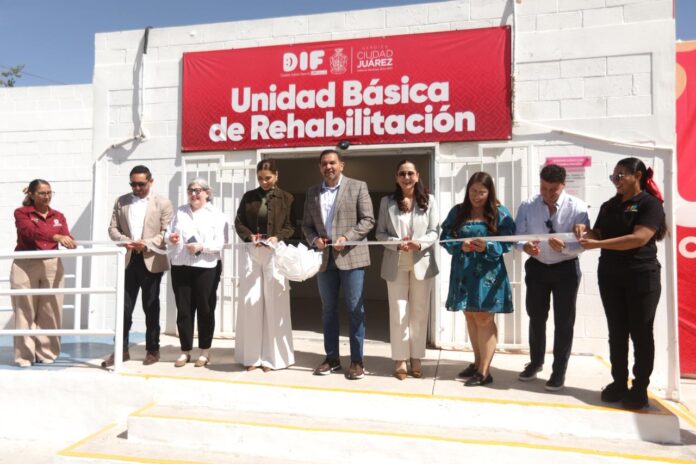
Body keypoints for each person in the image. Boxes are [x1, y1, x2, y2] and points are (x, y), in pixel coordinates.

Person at [576, 157, 666, 410]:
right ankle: (618, 382)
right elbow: (598, 233)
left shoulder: (650, 204)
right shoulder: (609, 206)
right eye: (613, 176)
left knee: (641, 332)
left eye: (621, 175)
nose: (616, 180)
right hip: (611, 275)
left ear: (637, 176)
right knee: (617, 331)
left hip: (641, 275)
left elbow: (638, 238)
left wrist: (598, 244)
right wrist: (583, 231)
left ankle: (640, 387)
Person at [515, 164, 590, 391]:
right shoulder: (528, 205)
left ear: (563, 186)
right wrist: (524, 246)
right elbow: (517, 236)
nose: (547, 194)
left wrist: (565, 248)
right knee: (536, 317)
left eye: (553, 190)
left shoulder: (578, 208)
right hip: (537, 268)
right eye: (543, 189)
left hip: (566, 269)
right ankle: (536, 362)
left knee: (564, 321)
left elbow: (583, 244)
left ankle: (559, 370)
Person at [302, 149, 375, 380]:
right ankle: (332, 358)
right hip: (325, 260)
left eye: (332, 163)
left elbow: (368, 220)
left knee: (355, 309)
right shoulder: (312, 192)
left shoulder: (358, 186)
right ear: (320, 167)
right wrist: (314, 240)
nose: (329, 167)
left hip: (352, 257)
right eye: (324, 164)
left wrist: (347, 237)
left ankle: (357, 361)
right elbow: (306, 225)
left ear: (341, 165)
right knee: (328, 311)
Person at [440, 171, 515, 387]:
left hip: (488, 274)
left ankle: (484, 371)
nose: (477, 196)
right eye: (473, 191)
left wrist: (488, 246)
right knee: (471, 316)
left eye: (482, 192)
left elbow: (509, 241)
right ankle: (476, 362)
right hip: (463, 272)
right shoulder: (458, 211)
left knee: (484, 318)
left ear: (490, 192)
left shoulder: (500, 212)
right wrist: (459, 245)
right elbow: (445, 238)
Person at [103, 165, 173, 367]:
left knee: (151, 306)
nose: (137, 188)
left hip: (151, 259)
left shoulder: (163, 202)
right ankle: (121, 350)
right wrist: (125, 241)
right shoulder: (121, 201)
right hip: (128, 259)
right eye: (133, 184)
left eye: (141, 184)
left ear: (151, 181)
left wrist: (147, 243)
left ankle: (153, 349)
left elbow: (166, 232)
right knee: (124, 308)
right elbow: (113, 228)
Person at [376, 160, 439, 380]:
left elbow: (434, 231)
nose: (406, 177)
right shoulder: (387, 202)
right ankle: (400, 358)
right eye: (402, 173)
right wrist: (396, 243)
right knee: (398, 311)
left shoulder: (429, 200)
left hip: (422, 261)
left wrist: (419, 244)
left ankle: (416, 357)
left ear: (417, 175)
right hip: (396, 261)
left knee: (419, 312)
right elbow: (380, 233)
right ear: (396, 177)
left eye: (410, 173)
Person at [234, 159, 295, 371]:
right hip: (253, 252)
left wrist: (277, 237)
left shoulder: (287, 198)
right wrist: (249, 236)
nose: (264, 182)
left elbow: (291, 227)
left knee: (275, 303)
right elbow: (239, 222)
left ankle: (273, 359)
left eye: (268, 178)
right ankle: (251, 357)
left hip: (275, 252)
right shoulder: (249, 197)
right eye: (260, 178)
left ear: (276, 176)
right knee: (251, 302)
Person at [11, 179, 76, 367]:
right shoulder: (22, 213)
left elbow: (66, 235)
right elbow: (29, 231)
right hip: (26, 263)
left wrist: (69, 242)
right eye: (42, 193)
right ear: (31, 194)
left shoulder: (58, 216)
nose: (47, 196)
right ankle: (24, 355)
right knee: (24, 309)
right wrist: (56, 236)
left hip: (51, 264)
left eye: (49, 193)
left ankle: (46, 352)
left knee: (51, 309)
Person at [166, 179, 226, 368]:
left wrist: (202, 247)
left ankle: (205, 351)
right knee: (184, 310)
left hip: (206, 266)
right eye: (190, 190)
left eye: (198, 191)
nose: (193, 194)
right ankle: (185, 350)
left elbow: (220, 243)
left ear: (207, 193)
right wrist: (171, 237)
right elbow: (168, 233)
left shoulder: (216, 214)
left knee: (205, 308)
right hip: (181, 264)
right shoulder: (180, 212)